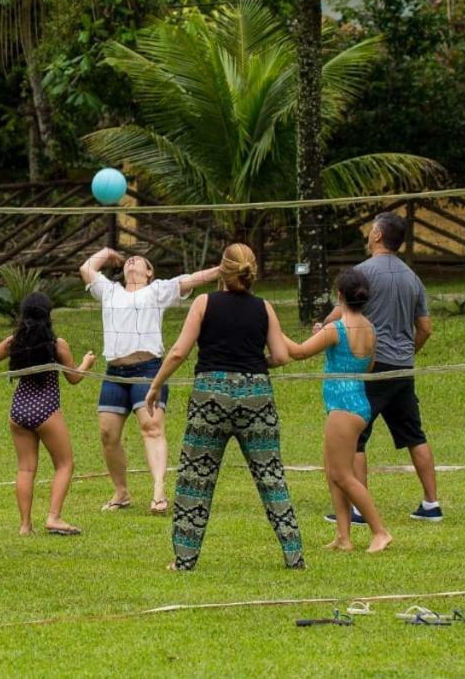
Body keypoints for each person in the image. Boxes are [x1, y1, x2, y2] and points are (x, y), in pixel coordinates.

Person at [145, 244, 304, 571]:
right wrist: (252, 364)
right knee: (270, 475)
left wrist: (156, 384)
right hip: (257, 396)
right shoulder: (265, 307)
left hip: (210, 397)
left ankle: (184, 561)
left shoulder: (205, 303)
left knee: (196, 478)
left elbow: (178, 352)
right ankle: (294, 556)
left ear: (222, 270)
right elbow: (282, 355)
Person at [319, 211, 439, 522]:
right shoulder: (412, 277)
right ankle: (431, 505)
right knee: (414, 434)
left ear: (377, 236)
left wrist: (321, 330)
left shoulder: (362, 273)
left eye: (371, 229)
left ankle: (358, 508)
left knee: (356, 436)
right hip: (402, 369)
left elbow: (341, 313)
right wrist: (407, 353)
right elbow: (425, 327)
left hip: (372, 368)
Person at [79, 247, 219, 514]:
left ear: (149, 271)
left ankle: (158, 492)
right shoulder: (110, 291)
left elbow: (192, 279)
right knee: (108, 435)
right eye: (128, 260)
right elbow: (86, 269)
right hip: (114, 373)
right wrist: (108, 251)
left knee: (151, 428)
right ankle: (121, 493)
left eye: (139, 260)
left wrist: (222, 269)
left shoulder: (157, 291)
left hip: (147, 370)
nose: (132, 261)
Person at [284, 270, 392, 553]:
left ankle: (380, 532)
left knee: (344, 475)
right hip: (357, 403)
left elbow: (297, 352)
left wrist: (272, 329)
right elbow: (368, 366)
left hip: (343, 408)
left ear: (340, 296)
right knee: (333, 471)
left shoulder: (337, 328)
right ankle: (343, 537)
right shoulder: (369, 327)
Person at [0, 293, 96, 536]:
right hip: (46, 408)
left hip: (19, 409)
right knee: (65, 464)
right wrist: (86, 362)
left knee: (25, 469)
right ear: (48, 315)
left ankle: (25, 526)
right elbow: (73, 378)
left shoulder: (14, 342)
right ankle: (53, 517)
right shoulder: (57, 345)